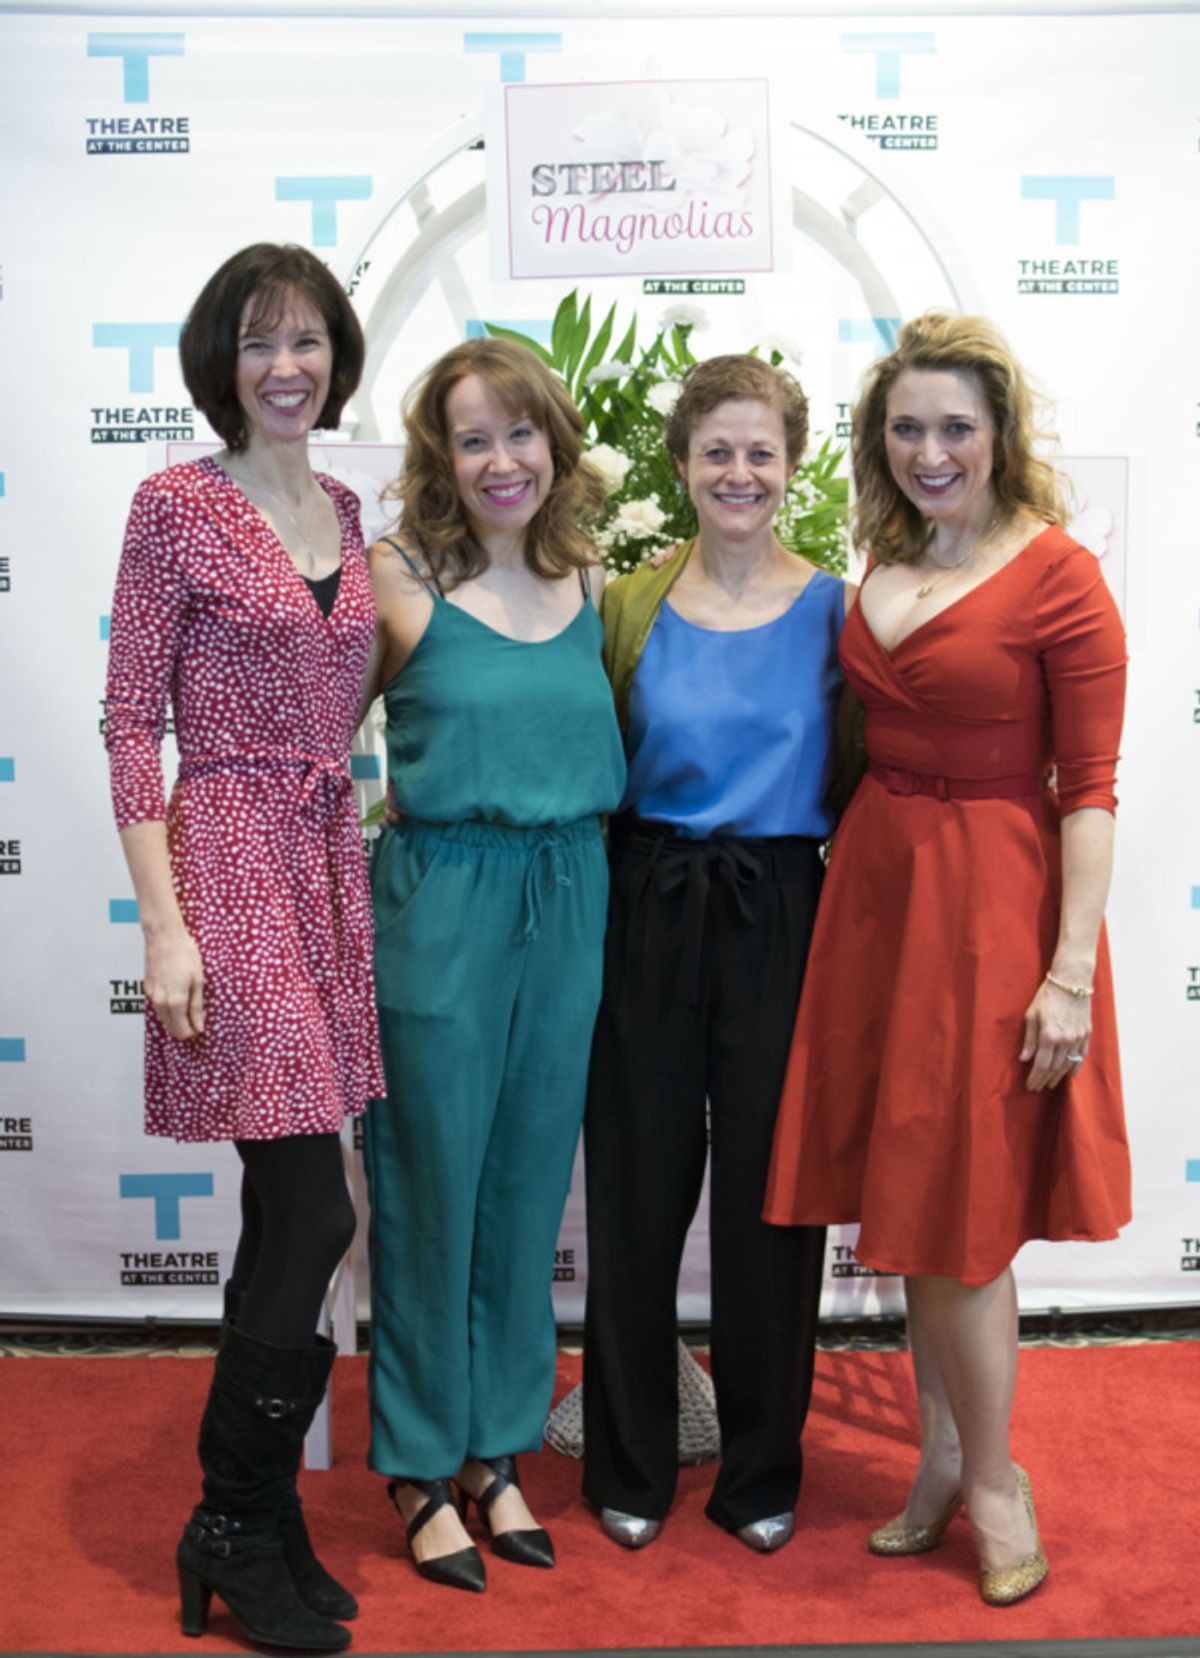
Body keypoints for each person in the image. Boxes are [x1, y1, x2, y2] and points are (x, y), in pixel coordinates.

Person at [764, 312, 1130, 1606]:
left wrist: (1068, 970)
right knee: (916, 1203)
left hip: (992, 910)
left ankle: (994, 1481)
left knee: (966, 1223)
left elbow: (1091, 788)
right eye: (907, 427)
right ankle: (938, 1462)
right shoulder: (886, 556)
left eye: (956, 427)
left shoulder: (1061, 576)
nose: (931, 451)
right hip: (880, 901)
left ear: (1000, 433)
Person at [105, 242, 382, 1653]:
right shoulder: (174, 504)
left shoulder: (348, 507)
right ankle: (227, 1516)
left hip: (322, 861)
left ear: (338, 355)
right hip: (225, 861)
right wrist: (164, 923)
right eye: (260, 341)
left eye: (308, 339)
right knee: (319, 1210)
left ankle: (261, 1522)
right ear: (222, 360)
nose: (287, 365)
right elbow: (126, 721)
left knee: (282, 1213)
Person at [361, 336, 626, 1592]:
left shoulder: (591, 576)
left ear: (554, 443)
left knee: (525, 1189)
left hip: (570, 897)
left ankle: (495, 1447)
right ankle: (419, 1461)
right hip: (443, 901)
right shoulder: (397, 577)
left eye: (519, 432)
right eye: (473, 439)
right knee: (431, 1183)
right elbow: (313, 749)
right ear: (442, 456)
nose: (501, 460)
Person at [582, 355, 851, 1554]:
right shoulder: (626, 604)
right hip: (649, 898)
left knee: (770, 1198)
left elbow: (859, 767)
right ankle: (629, 1459)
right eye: (717, 451)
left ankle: (760, 1468)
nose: (739, 472)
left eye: (761, 452)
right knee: (636, 1185)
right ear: (681, 463)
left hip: (783, 907)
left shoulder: (840, 609)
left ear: (794, 465)